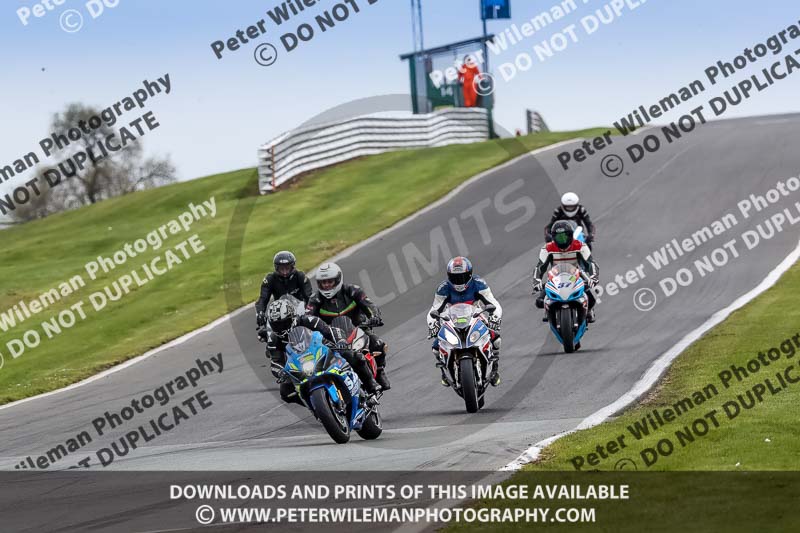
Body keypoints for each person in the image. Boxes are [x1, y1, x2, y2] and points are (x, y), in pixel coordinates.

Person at [259, 299, 379, 404]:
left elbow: (330, 330)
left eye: (284, 323)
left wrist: (340, 341)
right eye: (276, 325)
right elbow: (275, 362)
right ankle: (315, 405)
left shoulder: (308, 320)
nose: (281, 328)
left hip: (323, 349)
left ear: (292, 317)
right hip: (299, 365)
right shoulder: (274, 339)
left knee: (353, 355)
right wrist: (281, 372)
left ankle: (371, 385)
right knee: (285, 392)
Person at [306, 262, 392, 391]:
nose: (326, 285)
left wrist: (374, 316)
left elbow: (369, 305)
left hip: (358, 329)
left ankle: (379, 372)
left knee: (378, 343)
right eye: (323, 283)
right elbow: (308, 317)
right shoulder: (315, 299)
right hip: (332, 337)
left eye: (329, 282)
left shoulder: (353, 290)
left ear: (338, 280)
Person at [426, 256, 503, 387]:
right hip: (451, 318)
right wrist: (433, 324)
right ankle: (444, 372)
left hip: (475, 315)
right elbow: (433, 310)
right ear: (449, 276)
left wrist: (495, 317)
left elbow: (493, 303)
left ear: (469, 275)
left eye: (462, 277)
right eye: (455, 277)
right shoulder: (443, 288)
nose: (459, 281)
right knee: (436, 347)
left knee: (495, 338)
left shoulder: (479, 283)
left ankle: (495, 368)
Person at [533, 220, 599, 323]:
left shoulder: (580, 246)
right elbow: (540, 267)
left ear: (570, 235)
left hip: (575, 276)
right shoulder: (547, 248)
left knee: (593, 295)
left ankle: (589, 310)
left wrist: (593, 277)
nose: (562, 240)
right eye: (559, 237)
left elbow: (591, 263)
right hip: (555, 277)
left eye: (564, 236)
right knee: (539, 301)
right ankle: (548, 311)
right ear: (553, 237)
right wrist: (537, 281)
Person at [255, 251, 313, 330]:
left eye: (287, 268)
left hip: (300, 314)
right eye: (282, 269)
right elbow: (263, 299)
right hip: (279, 317)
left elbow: (309, 297)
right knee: (263, 334)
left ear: (292, 267)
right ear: (276, 268)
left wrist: (309, 311)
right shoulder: (270, 279)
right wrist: (260, 313)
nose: (285, 272)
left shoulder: (300, 276)